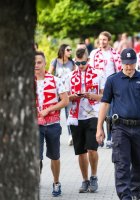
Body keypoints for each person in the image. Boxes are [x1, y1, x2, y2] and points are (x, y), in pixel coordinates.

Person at [96, 48, 140, 200]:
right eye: (126, 64)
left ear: (135, 62)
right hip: (120, 128)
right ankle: (125, 196)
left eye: (131, 64)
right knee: (121, 164)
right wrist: (99, 127)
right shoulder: (113, 80)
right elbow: (105, 104)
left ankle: (135, 193)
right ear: (121, 63)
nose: (128, 67)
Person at [67, 48, 104, 193]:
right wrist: (73, 96)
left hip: (93, 114)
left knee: (91, 149)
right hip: (76, 117)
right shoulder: (70, 76)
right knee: (81, 152)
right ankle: (85, 180)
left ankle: (94, 176)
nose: (80, 65)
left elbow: (104, 96)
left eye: (83, 62)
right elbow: (65, 97)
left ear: (88, 60)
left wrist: (91, 96)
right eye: (77, 63)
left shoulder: (98, 74)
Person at [35, 51, 69, 197]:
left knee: (54, 156)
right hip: (35, 126)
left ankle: (56, 182)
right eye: (34, 63)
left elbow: (65, 101)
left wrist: (49, 109)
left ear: (45, 63)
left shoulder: (55, 80)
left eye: (39, 62)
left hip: (53, 124)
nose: (36, 65)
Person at [89, 31, 122, 148]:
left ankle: (109, 138)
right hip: (96, 86)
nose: (102, 42)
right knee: (98, 113)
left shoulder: (115, 54)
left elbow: (118, 71)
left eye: (104, 40)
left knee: (109, 114)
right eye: (100, 39)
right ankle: (99, 137)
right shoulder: (94, 53)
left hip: (110, 85)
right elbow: (90, 69)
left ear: (109, 40)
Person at [49, 44, 76, 146]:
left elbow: (75, 75)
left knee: (69, 114)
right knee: (55, 114)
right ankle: (54, 136)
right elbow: (50, 74)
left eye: (71, 49)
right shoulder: (55, 61)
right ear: (62, 51)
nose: (70, 51)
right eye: (68, 50)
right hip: (56, 92)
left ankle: (71, 136)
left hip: (68, 92)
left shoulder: (72, 62)